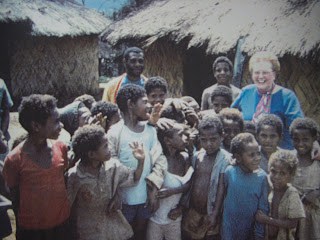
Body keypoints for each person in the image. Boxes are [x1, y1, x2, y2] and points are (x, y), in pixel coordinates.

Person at [2, 94, 70, 240]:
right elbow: (15, 198)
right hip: (32, 231)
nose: (61, 125)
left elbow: (63, 179)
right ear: (36, 126)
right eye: (56, 121)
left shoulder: (61, 147)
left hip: (62, 225)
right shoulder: (15, 160)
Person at [107, 84, 167, 240]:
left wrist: (153, 189)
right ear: (130, 104)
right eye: (144, 102)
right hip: (123, 201)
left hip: (145, 198)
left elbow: (160, 160)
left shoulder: (150, 131)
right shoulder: (115, 133)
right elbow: (111, 166)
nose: (149, 105)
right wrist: (114, 192)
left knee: (141, 233)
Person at [67, 125, 145, 240]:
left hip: (114, 228)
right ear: (91, 154)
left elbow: (133, 178)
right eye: (105, 146)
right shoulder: (75, 176)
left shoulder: (113, 166)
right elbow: (68, 207)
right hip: (89, 231)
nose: (109, 149)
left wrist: (141, 161)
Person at [231, 51, 304, 149]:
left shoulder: (287, 97)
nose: (260, 77)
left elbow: (299, 128)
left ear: (274, 74)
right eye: (257, 72)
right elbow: (230, 115)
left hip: (280, 152)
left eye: (265, 72)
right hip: (248, 151)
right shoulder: (246, 92)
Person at [182, 116, 232, 240]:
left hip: (211, 213)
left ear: (222, 136)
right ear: (199, 139)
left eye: (213, 139)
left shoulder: (225, 159)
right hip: (193, 212)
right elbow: (189, 182)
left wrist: (215, 213)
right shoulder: (196, 157)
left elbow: (221, 188)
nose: (209, 144)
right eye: (204, 140)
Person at [146, 122, 193, 240]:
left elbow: (188, 184)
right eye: (181, 135)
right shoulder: (159, 161)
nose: (185, 138)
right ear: (168, 141)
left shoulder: (185, 158)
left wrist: (173, 192)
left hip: (174, 218)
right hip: (155, 219)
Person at [222, 133, 269, 240]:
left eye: (258, 153)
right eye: (251, 155)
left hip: (250, 232)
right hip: (229, 229)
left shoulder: (262, 178)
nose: (257, 158)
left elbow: (263, 209)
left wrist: (259, 235)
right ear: (238, 158)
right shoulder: (230, 172)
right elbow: (224, 198)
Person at [255, 150, 305, 240]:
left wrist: (267, 220)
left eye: (282, 173)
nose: (277, 176)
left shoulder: (291, 194)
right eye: (273, 171)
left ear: (291, 175)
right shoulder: (268, 189)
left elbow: (292, 223)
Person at [290, 117, 320, 240]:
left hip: (314, 214)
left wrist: (317, 193)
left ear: (314, 138)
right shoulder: (288, 159)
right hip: (292, 214)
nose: (300, 144)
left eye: (305, 139)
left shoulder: (318, 162)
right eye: (296, 140)